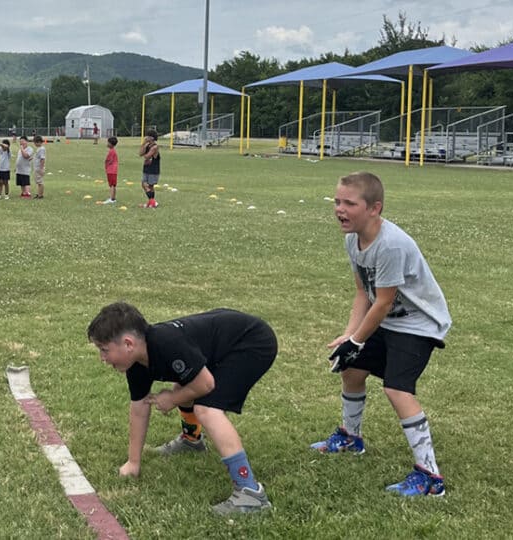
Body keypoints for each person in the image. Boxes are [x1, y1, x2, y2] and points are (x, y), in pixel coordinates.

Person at [311, 172, 451, 497]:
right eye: (337, 201)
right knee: (352, 369)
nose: (339, 209)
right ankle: (351, 437)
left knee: (397, 390)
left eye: (349, 203)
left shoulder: (390, 245)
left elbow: (384, 302)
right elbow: (364, 292)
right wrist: (349, 337)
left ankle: (431, 478)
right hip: (387, 320)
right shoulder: (353, 239)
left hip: (418, 324)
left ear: (375, 208)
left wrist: (357, 340)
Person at [87, 302, 277, 515]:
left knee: (206, 408)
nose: (102, 358)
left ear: (128, 344)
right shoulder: (137, 364)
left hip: (252, 341)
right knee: (186, 384)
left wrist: (173, 398)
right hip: (224, 342)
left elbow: (205, 384)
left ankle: (250, 493)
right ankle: (191, 441)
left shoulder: (167, 344)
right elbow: (139, 408)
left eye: (104, 350)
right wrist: (133, 462)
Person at [139, 130, 160, 209]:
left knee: (149, 185)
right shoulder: (147, 145)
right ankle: (152, 203)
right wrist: (143, 144)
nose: (146, 137)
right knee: (145, 184)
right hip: (147, 168)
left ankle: (152, 202)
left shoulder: (155, 147)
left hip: (153, 168)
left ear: (152, 138)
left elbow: (147, 156)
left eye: (148, 136)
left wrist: (145, 152)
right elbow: (140, 153)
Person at [103, 136, 119, 204]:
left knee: (112, 185)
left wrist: (106, 165)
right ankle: (113, 198)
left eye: (108, 142)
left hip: (111, 170)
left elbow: (109, 160)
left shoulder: (112, 152)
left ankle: (111, 199)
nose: (107, 143)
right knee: (113, 184)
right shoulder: (112, 151)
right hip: (113, 170)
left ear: (111, 144)